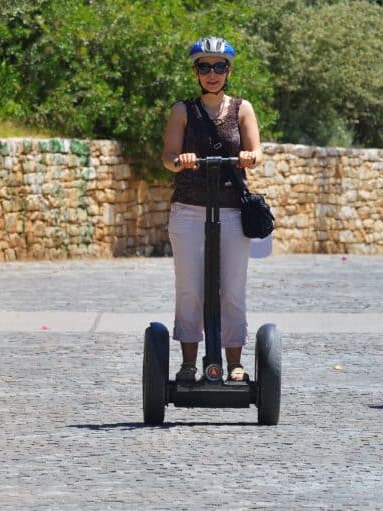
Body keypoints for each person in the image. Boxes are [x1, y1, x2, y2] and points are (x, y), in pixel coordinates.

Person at [160, 36, 264, 383]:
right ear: (196, 72)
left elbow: (256, 151)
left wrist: (250, 156)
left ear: (228, 70)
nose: (212, 73)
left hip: (232, 210)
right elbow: (169, 156)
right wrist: (180, 161)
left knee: (232, 288)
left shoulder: (242, 108)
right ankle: (190, 363)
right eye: (205, 67)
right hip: (189, 210)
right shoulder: (182, 111)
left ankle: (235, 363)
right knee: (190, 288)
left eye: (219, 66)